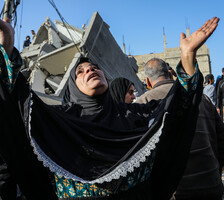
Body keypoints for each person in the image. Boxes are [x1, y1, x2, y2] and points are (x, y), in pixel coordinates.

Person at [0, 17, 219, 200]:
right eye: (81, 71)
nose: (90, 71)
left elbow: (177, 110)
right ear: (72, 88)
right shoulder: (60, 122)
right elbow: (19, 108)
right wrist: (8, 49)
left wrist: (188, 56)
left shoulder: (134, 116)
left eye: (94, 67)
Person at [136, 58, 224, 200]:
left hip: (174, 193)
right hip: (210, 185)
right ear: (170, 75)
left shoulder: (142, 103)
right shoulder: (203, 98)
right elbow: (221, 140)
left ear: (147, 82)